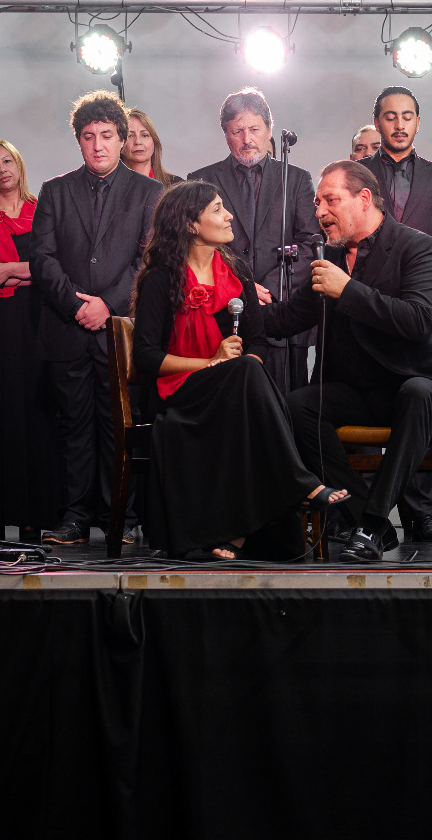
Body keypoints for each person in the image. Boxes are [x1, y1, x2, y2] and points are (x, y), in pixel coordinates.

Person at [265, 161, 432, 563]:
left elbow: (418, 322)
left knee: (417, 392)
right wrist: (235, 303)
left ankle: (370, 524)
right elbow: (289, 317)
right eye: (317, 203)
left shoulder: (419, 247)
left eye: (330, 200)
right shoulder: (330, 256)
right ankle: (370, 521)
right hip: (362, 389)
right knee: (299, 406)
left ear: (364, 198)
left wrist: (347, 290)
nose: (320, 211)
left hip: (417, 382)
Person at [131, 180, 348, 559]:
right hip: (180, 391)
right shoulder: (160, 278)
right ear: (190, 224)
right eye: (217, 209)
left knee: (249, 367)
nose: (228, 215)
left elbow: (257, 342)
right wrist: (213, 362)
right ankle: (300, 484)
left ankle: (237, 536)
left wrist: (241, 375)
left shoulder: (237, 272)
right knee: (245, 370)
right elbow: (147, 358)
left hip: (228, 387)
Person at [33, 91, 164, 545]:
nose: (97, 145)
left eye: (106, 135)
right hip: (66, 327)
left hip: (119, 329)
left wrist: (106, 304)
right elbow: (42, 259)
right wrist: (76, 305)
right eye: (88, 136)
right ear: (79, 141)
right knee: (73, 427)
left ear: (121, 138)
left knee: (117, 427)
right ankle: (74, 519)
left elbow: (148, 260)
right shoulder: (54, 190)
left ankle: (119, 518)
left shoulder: (150, 192)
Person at [358, 85, 432, 542]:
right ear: (377, 122)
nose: (399, 124)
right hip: (369, 310)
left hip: (423, 312)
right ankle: (364, 512)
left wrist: (427, 294)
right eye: (390, 116)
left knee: (418, 400)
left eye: (407, 116)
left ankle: (421, 513)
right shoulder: (358, 174)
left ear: (418, 122)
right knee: (377, 401)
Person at [188, 88, 316, 390]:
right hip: (223, 314)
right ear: (226, 135)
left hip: (281, 313)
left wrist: (268, 287)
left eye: (255, 129)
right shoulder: (201, 180)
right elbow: (197, 246)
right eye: (238, 131)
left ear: (269, 130)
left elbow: (310, 244)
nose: (247, 139)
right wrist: (242, 286)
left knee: (285, 407)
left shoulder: (297, 179)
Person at [0, 139, 55, 539]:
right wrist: (30, 272)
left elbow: (57, 266)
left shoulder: (45, 212)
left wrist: (10, 271)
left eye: (7, 161)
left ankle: (36, 512)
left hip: (39, 321)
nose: (1, 169)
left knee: (38, 413)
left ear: (19, 165)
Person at [125, 108, 183, 187]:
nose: (138, 142)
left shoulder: (177, 186)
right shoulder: (109, 187)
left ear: (154, 142)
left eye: (145, 135)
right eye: (130, 136)